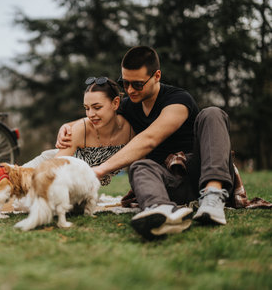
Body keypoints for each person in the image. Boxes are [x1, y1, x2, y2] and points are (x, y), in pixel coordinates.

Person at [57, 46, 235, 239]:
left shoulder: (178, 100)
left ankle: (213, 197)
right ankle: (161, 210)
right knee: (140, 165)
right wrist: (69, 125)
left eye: (138, 84)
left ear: (157, 75)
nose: (130, 90)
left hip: (199, 172)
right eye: (125, 83)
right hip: (167, 182)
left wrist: (101, 169)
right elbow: (103, 113)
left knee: (212, 113)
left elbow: (150, 139)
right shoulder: (129, 104)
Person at [24, 76, 133, 186]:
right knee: (13, 179)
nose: (90, 114)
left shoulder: (129, 132)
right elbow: (53, 171)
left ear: (115, 103)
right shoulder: (82, 129)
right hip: (46, 165)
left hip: (72, 184)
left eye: (97, 107)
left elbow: (138, 165)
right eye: (87, 108)